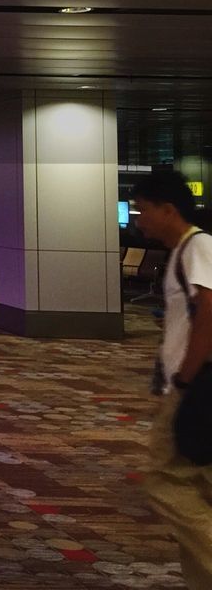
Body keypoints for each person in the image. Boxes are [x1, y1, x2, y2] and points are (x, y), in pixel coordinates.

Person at [132, 171, 212, 589]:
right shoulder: (186, 250)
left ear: (169, 209)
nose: (138, 218)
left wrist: (183, 381)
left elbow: (210, 315)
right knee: (198, 490)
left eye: (142, 209)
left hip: (195, 389)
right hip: (191, 387)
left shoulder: (198, 246)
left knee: (166, 483)